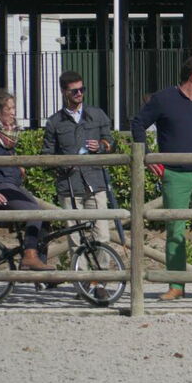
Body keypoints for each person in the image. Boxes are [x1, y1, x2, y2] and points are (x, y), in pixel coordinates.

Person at [130, 56, 192, 302]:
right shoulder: (163, 99)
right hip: (175, 174)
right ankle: (176, 284)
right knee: (175, 231)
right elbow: (138, 123)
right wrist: (147, 156)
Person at [41, 71, 114, 291]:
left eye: (82, 89)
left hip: (95, 181)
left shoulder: (97, 114)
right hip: (69, 185)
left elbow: (111, 142)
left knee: (102, 234)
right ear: (64, 92)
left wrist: (100, 146)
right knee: (75, 239)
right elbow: (46, 155)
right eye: (74, 91)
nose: (79, 94)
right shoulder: (54, 122)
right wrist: (63, 163)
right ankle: (82, 283)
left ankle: (100, 279)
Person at [0, 90, 54, 271]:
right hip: (0, 187)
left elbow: (6, 158)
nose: (14, 112)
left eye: (14, 108)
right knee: (34, 212)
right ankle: (30, 257)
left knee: (46, 218)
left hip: (13, 185)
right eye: (10, 108)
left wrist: (17, 167)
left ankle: (41, 266)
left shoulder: (7, 136)